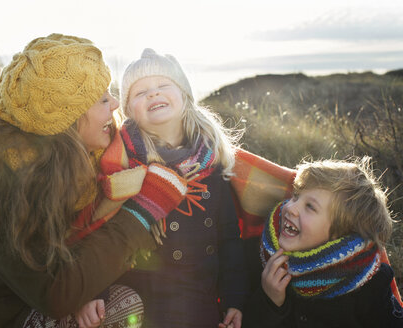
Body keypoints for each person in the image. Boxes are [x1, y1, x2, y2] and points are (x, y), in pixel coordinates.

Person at [0, 34, 188, 328]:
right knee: (121, 308)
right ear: (67, 120)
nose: (115, 103)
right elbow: (57, 293)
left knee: (124, 301)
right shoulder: (2, 181)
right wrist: (143, 212)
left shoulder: (91, 156)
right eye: (103, 99)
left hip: (32, 303)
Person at [77, 48, 293, 328]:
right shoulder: (122, 166)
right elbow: (100, 232)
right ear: (129, 110)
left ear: (185, 97)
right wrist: (94, 293)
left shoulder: (211, 164)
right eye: (140, 92)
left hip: (198, 301)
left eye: (163, 85)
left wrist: (234, 300)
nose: (153, 94)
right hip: (139, 301)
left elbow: (228, 239)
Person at [244, 158, 403, 327]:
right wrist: (270, 301)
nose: (290, 207)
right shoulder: (261, 256)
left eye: (310, 207)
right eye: (296, 197)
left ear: (340, 235)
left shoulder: (369, 282)